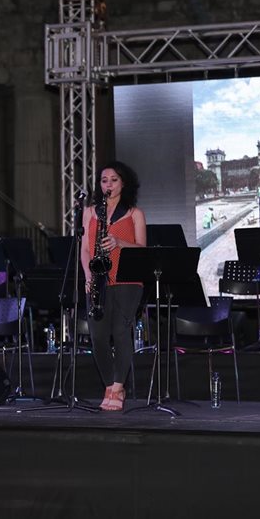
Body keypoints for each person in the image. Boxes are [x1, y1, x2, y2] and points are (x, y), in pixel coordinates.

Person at [81, 161, 146, 411]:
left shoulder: (134, 213)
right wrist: (87, 275)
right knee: (97, 337)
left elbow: (142, 249)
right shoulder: (90, 212)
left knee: (120, 333)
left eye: (113, 180)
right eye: (104, 180)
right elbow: (85, 250)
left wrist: (119, 241)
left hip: (128, 280)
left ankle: (117, 387)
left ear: (124, 183)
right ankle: (109, 384)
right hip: (97, 281)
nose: (108, 184)